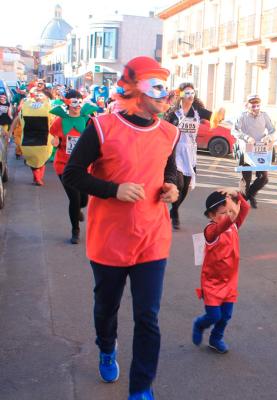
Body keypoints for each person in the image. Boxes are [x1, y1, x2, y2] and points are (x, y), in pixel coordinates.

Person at [63, 56, 179, 400]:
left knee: (148, 317)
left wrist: (171, 187)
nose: (165, 94)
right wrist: (113, 189)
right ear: (133, 89)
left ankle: (141, 388)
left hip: (152, 238)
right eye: (156, 86)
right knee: (106, 308)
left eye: (165, 86)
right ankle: (106, 346)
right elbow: (72, 173)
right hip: (109, 240)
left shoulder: (169, 132)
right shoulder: (101, 126)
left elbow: (169, 171)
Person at [192, 188, 250, 353]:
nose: (230, 215)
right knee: (214, 316)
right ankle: (199, 324)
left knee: (226, 316)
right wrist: (231, 215)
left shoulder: (234, 226)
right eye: (224, 212)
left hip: (230, 281)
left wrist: (236, 194)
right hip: (212, 282)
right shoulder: (210, 231)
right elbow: (221, 227)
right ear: (211, 215)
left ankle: (215, 338)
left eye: (231, 211)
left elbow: (245, 208)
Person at [49, 90, 98, 244]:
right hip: (64, 166)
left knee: (84, 200)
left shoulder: (88, 120)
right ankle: (75, 231)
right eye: (73, 102)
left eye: (79, 101)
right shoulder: (59, 121)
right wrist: (55, 142)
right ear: (67, 103)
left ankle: (78, 210)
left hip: (83, 166)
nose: (77, 105)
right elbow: (55, 138)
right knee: (74, 199)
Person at [164, 82, 211, 229]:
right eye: (187, 93)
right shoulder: (173, 112)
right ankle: (176, 213)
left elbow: (215, 117)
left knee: (185, 188)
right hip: (175, 151)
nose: (190, 96)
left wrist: (220, 114)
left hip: (190, 153)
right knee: (179, 184)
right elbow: (163, 128)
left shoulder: (197, 112)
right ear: (182, 95)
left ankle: (174, 210)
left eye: (192, 93)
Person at [233, 94, 276, 208]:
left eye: (258, 106)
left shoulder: (264, 116)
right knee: (246, 180)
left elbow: (272, 130)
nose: (256, 108)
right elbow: (234, 131)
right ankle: (241, 203)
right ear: (248, 105)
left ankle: (250, 195)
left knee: (264, 178)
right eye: (253, 106)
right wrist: (246, 137)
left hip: (261, 149)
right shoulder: (242, 116)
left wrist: (268, 137)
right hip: (247, 149)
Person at [8, 89, 53, 185]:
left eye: (41, 95)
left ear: (46, 97)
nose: (38, 97)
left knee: (42, 159)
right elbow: (17, 119)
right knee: (32, 159)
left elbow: (55, 122)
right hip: (29, 138)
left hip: (44, 138)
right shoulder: (27, 107)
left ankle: (38, 178)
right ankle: (37, 178)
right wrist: (11, 131)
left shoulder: (50, 108)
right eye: (37, 95)